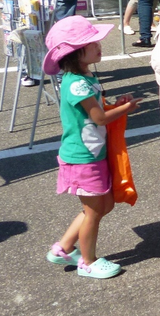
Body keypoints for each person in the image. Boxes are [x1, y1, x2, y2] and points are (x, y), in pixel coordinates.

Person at [42, 15, 141, 279]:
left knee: (102, 206)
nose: (99, 45)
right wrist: (125, 109)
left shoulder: (84, 78)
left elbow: (95, 112)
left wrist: (116, 104)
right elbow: (98, 118)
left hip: (92, 154)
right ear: (75, 53)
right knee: (95, 212)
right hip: (82, 158)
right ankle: (87, 261)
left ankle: (63, 248)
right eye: (93, 42)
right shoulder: (76, 83)